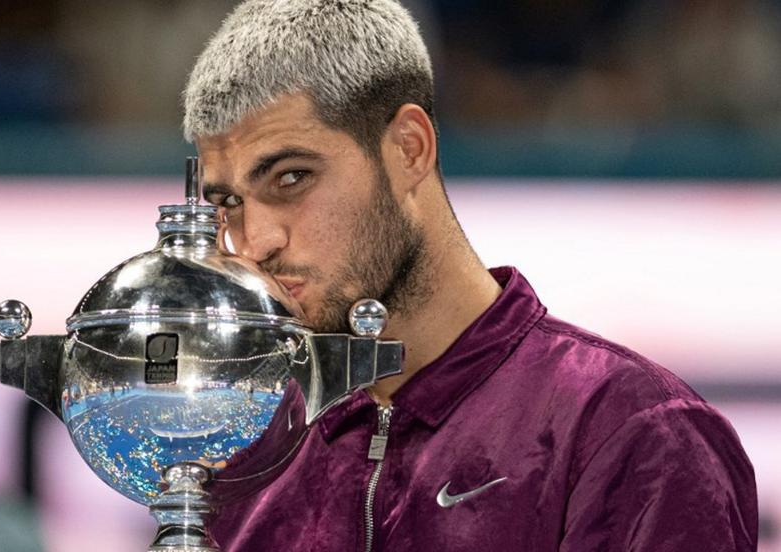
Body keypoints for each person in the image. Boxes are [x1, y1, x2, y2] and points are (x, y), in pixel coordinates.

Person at [183, 1, 758, 550]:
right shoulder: (244, 455)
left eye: (290, 178)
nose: (253, 243)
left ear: (409, 149)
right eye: (228, 203)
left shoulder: (630, 433)